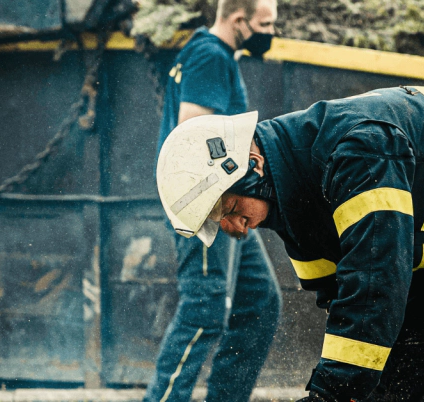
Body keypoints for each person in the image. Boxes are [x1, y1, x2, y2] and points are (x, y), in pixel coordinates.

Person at [155, 86, 424, 401]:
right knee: (402, 384)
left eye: (229, 208)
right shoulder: (290, 206)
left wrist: (329, 394)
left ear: (250, 164)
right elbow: (346, 303)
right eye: (219, 221)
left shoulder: (357, 150)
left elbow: (374, 286)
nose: (234, 228)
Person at [144, 1, 281, 401]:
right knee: (204, 309)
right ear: (239, 21)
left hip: (226, 202)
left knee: (259, 302)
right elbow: (192, 133)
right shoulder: (209, 55)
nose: (271, 32)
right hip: (208, 205)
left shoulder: (214, 54)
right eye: (265, 24)